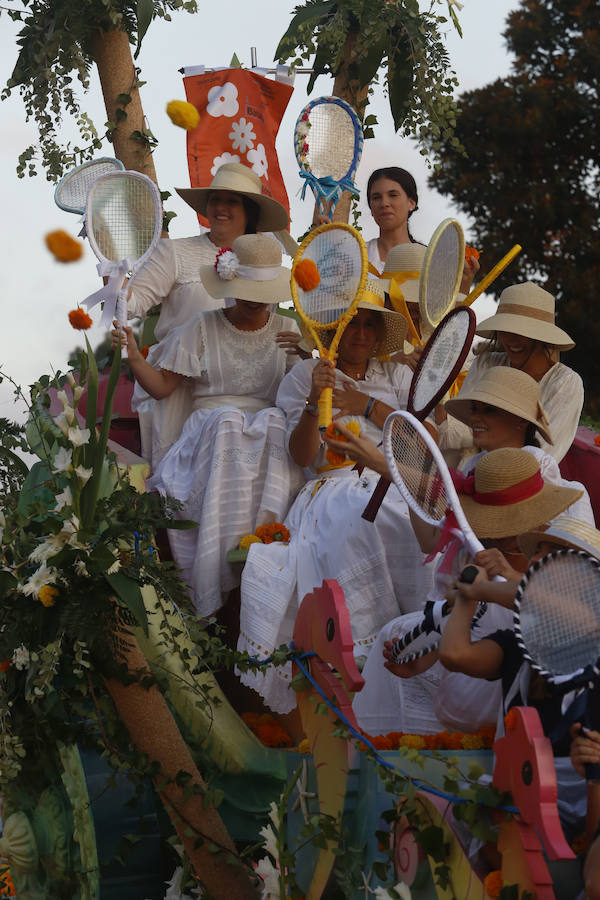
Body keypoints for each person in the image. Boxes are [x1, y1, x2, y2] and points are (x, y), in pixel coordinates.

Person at [237, 291, 435, 715]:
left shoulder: (396, 377)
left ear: (380, 332)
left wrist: (366, 405)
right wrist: (315, 400)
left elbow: (423, 445)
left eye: (369, 324)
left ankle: (420, 652)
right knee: (357, 525)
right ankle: (360, 659)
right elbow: (303, 457)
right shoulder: (308, 373)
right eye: (351, 323)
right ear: (333, 328)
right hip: (331, 487)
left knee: (419, 532)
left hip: (394, 483)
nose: (360, 333)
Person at [113, 234, 303, 617]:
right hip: (212, 436)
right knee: (228, 420)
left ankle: (266, 542)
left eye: (262, 289)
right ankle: (216, 563)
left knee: (273, 421)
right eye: (248, 287)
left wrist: (306, 358)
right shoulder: (201, 326)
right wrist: (134, 356)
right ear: (230, 284)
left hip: (267, 440)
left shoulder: (288, 332)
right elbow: (165, 387)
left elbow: (301, 398)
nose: (254, 297)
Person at [352, 448, 583, 737]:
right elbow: (456, 652)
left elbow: (568, 613)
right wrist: (428, 653)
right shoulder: (474, 560)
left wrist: (502, 580)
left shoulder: (570, 562)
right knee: (394, 634)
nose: (538, 556)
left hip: (552, 725)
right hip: (490, 692)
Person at [125, 162, 292, 468]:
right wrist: (114, 287)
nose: (221, 208)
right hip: (177, 390)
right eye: (216, 199)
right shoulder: (175, 252)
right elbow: (130, 304)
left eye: (232, 200)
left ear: (250, 211)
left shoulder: (266, 264)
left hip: (247, 396)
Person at [437, 282, 584, 463]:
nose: (511, 340)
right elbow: (466, 426)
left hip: (523, 483)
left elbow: (546, 453)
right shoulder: (486, 362)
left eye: (522, 332)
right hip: (470, 471)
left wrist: (496, 474)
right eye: (505, 331)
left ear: (542, 337)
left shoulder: (566, 384)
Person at [365, 165, 479, 292]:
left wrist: (464, 284)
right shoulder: (355, 256)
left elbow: (444, 311)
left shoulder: (431, 262)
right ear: (371, 207)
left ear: (411, 203)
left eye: (393, 195)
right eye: (376, 197)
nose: (384, 203)